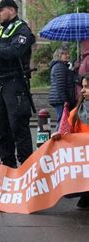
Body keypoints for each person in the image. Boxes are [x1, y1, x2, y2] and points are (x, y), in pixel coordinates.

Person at [0, 0, 35, 168]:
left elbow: (14, 51)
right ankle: (8, 168)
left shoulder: (22, 29)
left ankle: (27, 169)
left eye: (0, 10)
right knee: (1, 128)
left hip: (16, 83)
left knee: (19, 127)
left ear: (12, 10)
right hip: (0, 84)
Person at [53, 73, 89, 209]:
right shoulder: (76, 113)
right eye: (83, 87)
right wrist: (59, 137)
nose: (83, 90)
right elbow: (66, 134)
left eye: (87, 87)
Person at [49, 48, 76, 130]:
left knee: (62, 120)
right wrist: (65, 100)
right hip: (60, 99)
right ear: (59, 56)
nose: (67, 55)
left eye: (68, 53)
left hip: (58, 98)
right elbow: (61, 85)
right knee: (61, 122)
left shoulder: (62, 67)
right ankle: (57, 140)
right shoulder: (59, 67)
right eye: (64, 54)